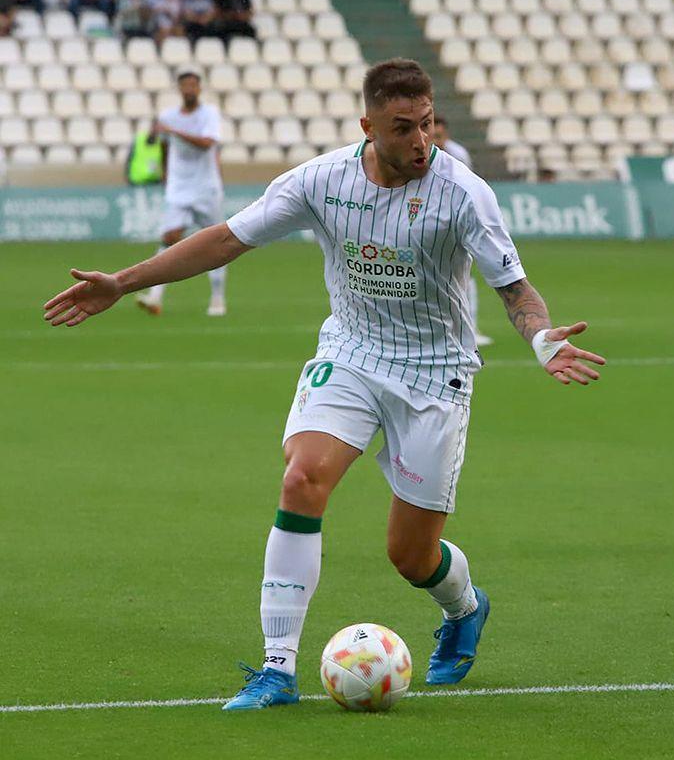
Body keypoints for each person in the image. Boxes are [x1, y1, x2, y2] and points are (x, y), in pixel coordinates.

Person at [43, 58, 607, 709]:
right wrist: (125, 281)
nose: (422, 141)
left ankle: (464, 609)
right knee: (301, 477)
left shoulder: (464, 193)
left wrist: (540, 339)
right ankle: (277, 669)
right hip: (353, 351)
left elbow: (515, 289)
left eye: (427, 124)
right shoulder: (321, 181)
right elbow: (227, 239)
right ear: (367, 126)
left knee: (410, 556)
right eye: (403, 128)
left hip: (434, 374)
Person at [135, 70, 227, 317]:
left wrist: (172, 131)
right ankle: (155, 297)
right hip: (179, 188)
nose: (189, 89)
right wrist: (166, 175)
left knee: (218, 241)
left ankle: (217, 296)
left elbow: (208, 143)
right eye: (184, 85)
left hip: (206, 187)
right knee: (169, 236)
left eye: (193, 85)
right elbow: (162, 145)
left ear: (199, 88)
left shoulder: (209, 114)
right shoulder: (168, 116)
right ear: (179, 89)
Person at [433, 116, 491, 345]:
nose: (435, 141)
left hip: (454, 220)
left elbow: (469, 188)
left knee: (464, 276)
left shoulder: (458, 156)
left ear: (446, 136)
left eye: (439, 136)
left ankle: (469, 330)